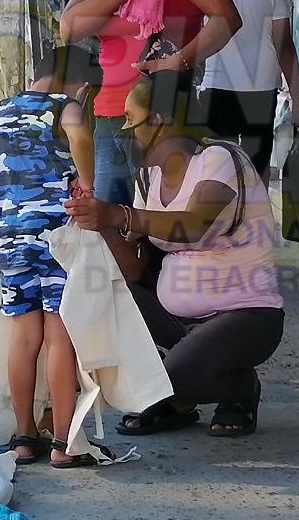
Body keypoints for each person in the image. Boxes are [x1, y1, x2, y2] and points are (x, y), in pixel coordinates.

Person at [65, 71, 285, 438]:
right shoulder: (148, 178)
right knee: (93, 300)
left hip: (247, 314)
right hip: (176, 317)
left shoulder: (220, 159)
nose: (126, 131)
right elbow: (134, 268)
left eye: (132, 121)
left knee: (163, 383)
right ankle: (185, 390)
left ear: (161, 120)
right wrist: (99, 220)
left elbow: (194, 225)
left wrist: (119, 214)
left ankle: (241, 388)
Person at [0, 46, 105, 468]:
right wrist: (85, 182)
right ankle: (65, 444)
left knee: (25, 337)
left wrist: (2, 172)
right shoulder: (65, 107)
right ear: (81, 87)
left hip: (8, 238)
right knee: (58, 337)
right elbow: (81, 137)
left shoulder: (1, 111)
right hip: (55, 238)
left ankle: (24, 436)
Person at [60, 0, 242, 206]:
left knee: (156, 224)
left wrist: (179, 61)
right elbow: (70, 27)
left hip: (160, 117)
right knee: (110, 231)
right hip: (107, 117)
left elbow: (226, 19)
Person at [199, 0, 299, 184]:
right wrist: (298, 99)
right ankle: (253, 221)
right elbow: (284, 47)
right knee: (255, 172)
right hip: (260, 91)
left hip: (216, 87)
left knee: (215, 170)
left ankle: (220, 222)